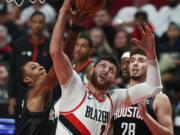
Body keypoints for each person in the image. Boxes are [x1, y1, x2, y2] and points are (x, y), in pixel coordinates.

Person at [50, 0, 163, 134]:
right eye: (102, 66)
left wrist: (151, 53)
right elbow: (56, 52)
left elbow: (154, 87)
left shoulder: (114, 98)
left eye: (111, 70)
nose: (106, 70)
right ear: (91, 70)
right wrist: (63, 14)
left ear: (114, 80)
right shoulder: (74, 86)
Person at [14, 1, 90, 134]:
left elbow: (64, 60)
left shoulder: (46, 94)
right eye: (33, 68)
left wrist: (75, 28)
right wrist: (73, 26)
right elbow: (61, 59)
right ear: (28, 80)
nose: (40, 67)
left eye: (38, 65)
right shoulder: (35, 93)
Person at [113, 48, 174, 135]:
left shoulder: (159, 98)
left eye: (141, 60)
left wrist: (145, 116)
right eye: (132, 61)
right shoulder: (118, 96)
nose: (135, 64)